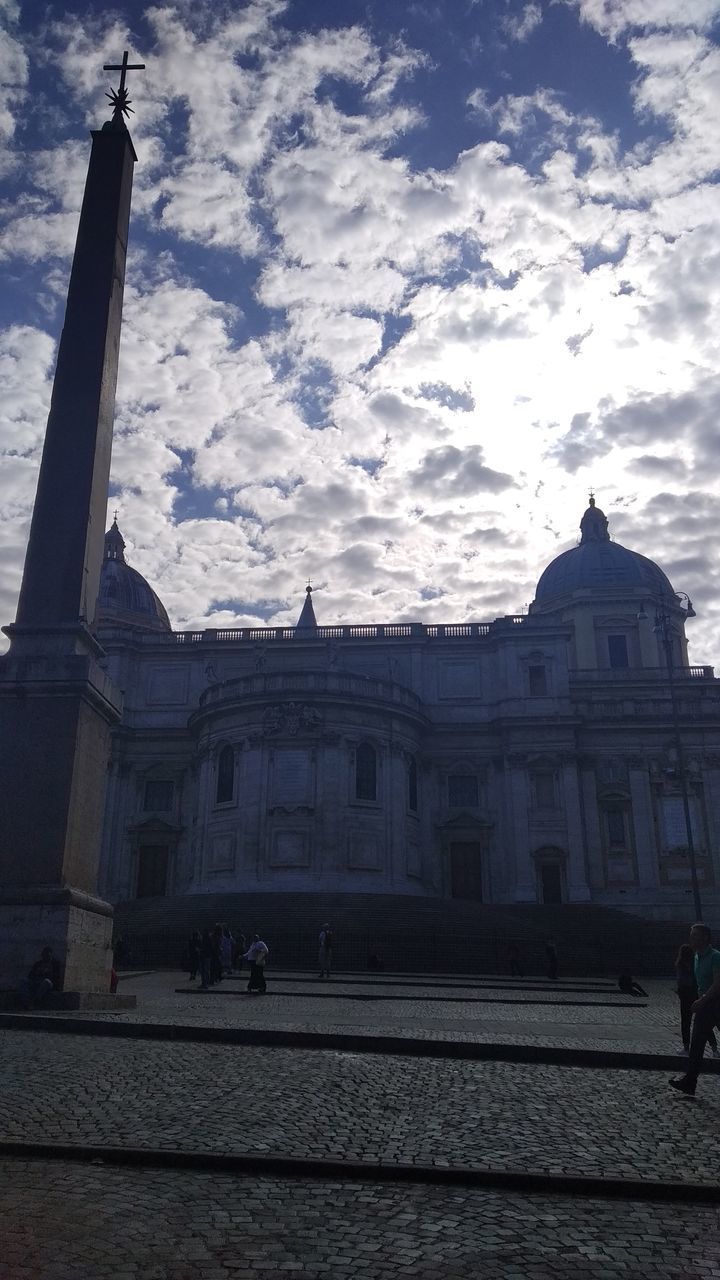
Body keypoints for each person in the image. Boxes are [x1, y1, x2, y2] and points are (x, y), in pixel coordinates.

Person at [669, 923, 720, 1098]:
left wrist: (702, 999)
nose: (692, 938)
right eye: (691, 935)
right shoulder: (697, 957)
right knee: (696, 1045)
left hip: (716, 1004)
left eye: (695, 935)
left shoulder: (716, 957)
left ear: (705, 937)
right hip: (705, 1006)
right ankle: (690, 1082)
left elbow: (718, 984)